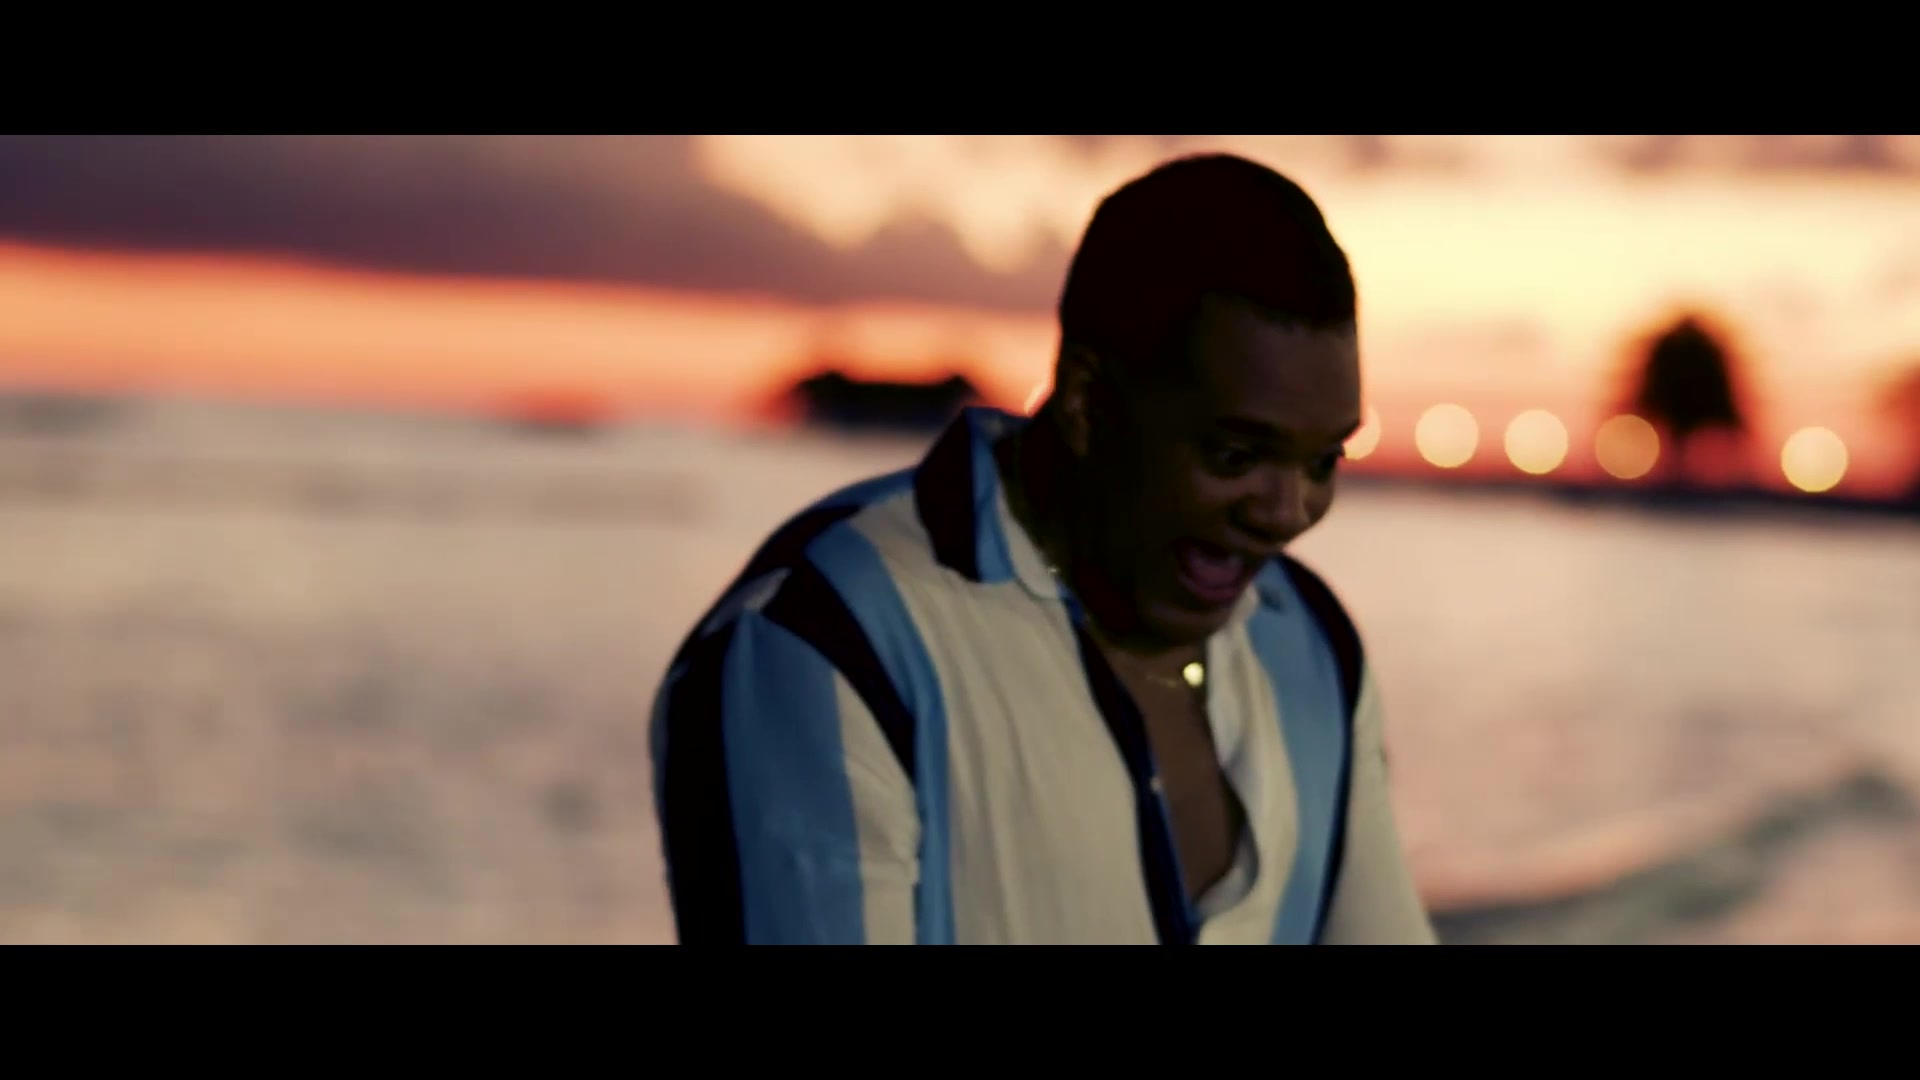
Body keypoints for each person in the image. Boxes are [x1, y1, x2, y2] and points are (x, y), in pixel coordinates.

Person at [649, 152, 1438, 945]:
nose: (1287, 513)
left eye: (1321, 462)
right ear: (1089, 404)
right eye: (1234, 455)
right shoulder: (828, 639)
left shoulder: (1313, 642)